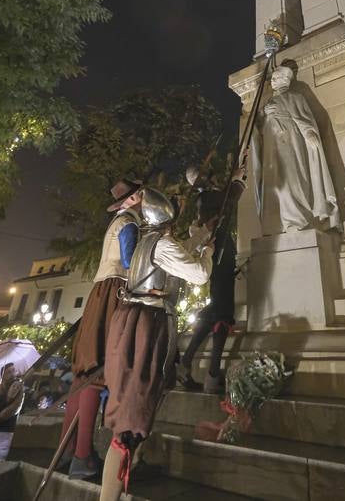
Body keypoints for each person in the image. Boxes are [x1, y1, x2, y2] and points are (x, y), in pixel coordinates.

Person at [99, 186, 214, 501]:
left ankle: (121, 480)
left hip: (133, 323)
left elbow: (179, 250)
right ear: (167, 220)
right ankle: (111, 493)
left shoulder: (146, 241)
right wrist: (208, 252)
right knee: (133, 414)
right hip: (147, 328)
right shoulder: (161, 244)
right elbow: (199, 273)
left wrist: (202, 234)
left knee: (133, 407)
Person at [59, 178, 144, 480]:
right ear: (133, 199)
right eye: (141, 195)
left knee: (83, 375)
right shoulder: (130, 222)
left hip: (99, 295)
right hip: (114, 294)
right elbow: (131, 262)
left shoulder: (117, 221)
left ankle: (69, 451)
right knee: (95, 374)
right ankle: (82, 456)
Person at [177, 158, 248, 393]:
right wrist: (237, 177)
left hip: (221, 256)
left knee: (217, 313)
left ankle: (192, 365)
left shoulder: (207, 197)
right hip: (220, 257)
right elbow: (230, 199)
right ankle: (211, 374)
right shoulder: (208, 197)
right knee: (221, 314)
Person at [252, 64, 341, 234]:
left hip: (290, 142)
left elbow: (304, 118)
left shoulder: (295, 96)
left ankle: (298, 219)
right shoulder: (268, 102)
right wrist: (263, 112)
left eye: (276, 78)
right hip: (272, 147)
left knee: (292, 180)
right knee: (276, 183)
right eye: (272, 78)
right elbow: (257, 125)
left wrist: (309, 132)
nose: (272, 81)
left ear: (286, 80)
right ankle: (279, 223)